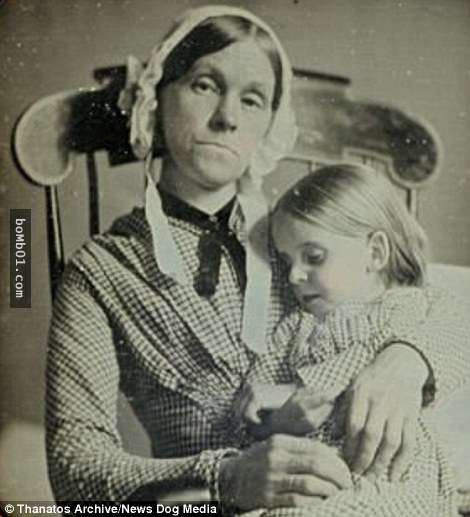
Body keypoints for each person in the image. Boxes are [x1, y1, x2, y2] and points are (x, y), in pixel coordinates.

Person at [45, 4, 470, 514]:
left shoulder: (302, 238)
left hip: (364, 484)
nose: (227, 118)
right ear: (156, 94)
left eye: (252, 100)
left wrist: (406, 360)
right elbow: (74, 467)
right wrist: (223, 476)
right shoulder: (101, 270)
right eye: (204, 85)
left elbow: (441, 304)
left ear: (271, 122)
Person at [231, 163, 467, 516]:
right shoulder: (293, 328)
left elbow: (356, 372)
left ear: (375, 253)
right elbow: (254, 412)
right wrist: (268, 419)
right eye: (286, 260)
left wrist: (292, 393)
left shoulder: (404, 307)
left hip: (390, 469)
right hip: (316, 474)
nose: (294, 275)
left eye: (313, 257)